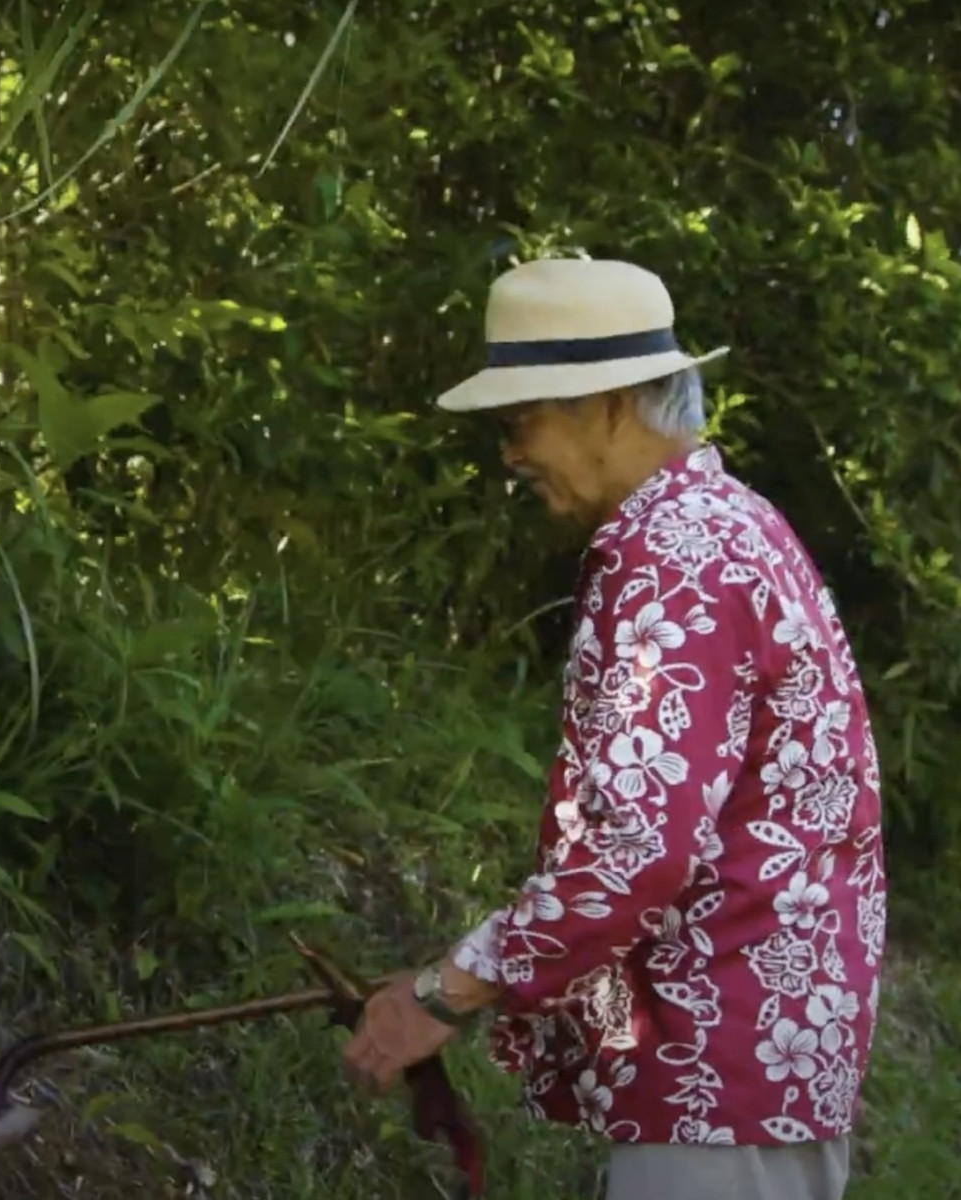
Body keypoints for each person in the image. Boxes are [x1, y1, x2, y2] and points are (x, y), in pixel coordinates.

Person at [341, 258, 887, 1200]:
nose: (509, 453)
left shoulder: (668, 556)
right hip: (765, 1062)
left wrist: (444, 991)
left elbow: (638, 847)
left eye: (521, 422)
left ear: (608, 404)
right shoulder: (734, 524)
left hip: (718, 1073)